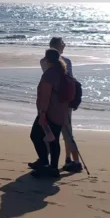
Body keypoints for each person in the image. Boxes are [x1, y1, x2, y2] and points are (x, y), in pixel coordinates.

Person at [40, 37, 82, 173]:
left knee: (54, 131)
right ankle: (70, 160)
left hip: (55, 101)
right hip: (63, 101)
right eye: (62, 43)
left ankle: (69, 160)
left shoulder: (44, 61)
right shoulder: (66, 62)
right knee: (65, 131)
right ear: (56, 46)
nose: (65, 45)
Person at [30, 49, 72, 178]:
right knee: (54, 140)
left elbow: (45, 96)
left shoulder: (49, 74)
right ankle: (53, 168)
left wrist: (42, 114)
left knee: (35, 136)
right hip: (62, 112)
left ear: (47, 60)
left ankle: (45, 164)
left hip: (49, 112)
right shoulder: (63, 72)